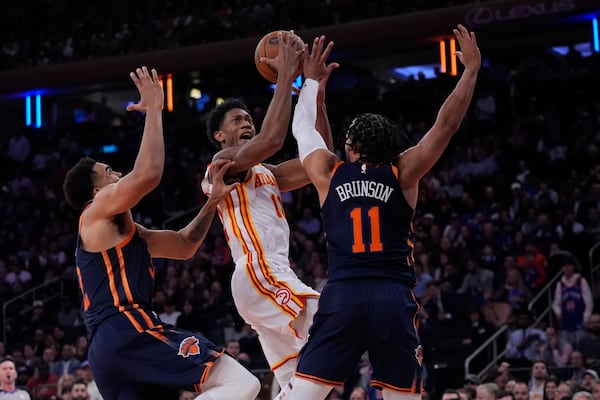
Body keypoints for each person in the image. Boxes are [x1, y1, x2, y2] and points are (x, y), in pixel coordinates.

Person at [288, 25, 480, 400]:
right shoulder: (404, 172)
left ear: (351, 146)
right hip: (393, 296)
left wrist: (311, 83)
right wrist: (470, 71)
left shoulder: (329, 171)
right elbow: (447, 125)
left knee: (303, 395)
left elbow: (302, 129)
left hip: (343, 294)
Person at [62, 66, 259, 400]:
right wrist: (154, 109)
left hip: (108, 351)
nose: (118, 174)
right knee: (242, 383)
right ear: (94, 191)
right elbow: (149, 174)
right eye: (109, 171)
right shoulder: (96, 210)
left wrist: (212, 202)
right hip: (128, 327)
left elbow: (184, 246)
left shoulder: (124, 233)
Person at [201, 31, 337, 399]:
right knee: (335, 324)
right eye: (237, 120)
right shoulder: (223, 163)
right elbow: (274, 139)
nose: (246, 122)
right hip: (258, 270)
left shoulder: (269, 173)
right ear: (219, 135)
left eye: (249, 118)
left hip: (273, 273)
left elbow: (321, 160)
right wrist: (287, 75)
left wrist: (316, 94)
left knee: (305, 383)